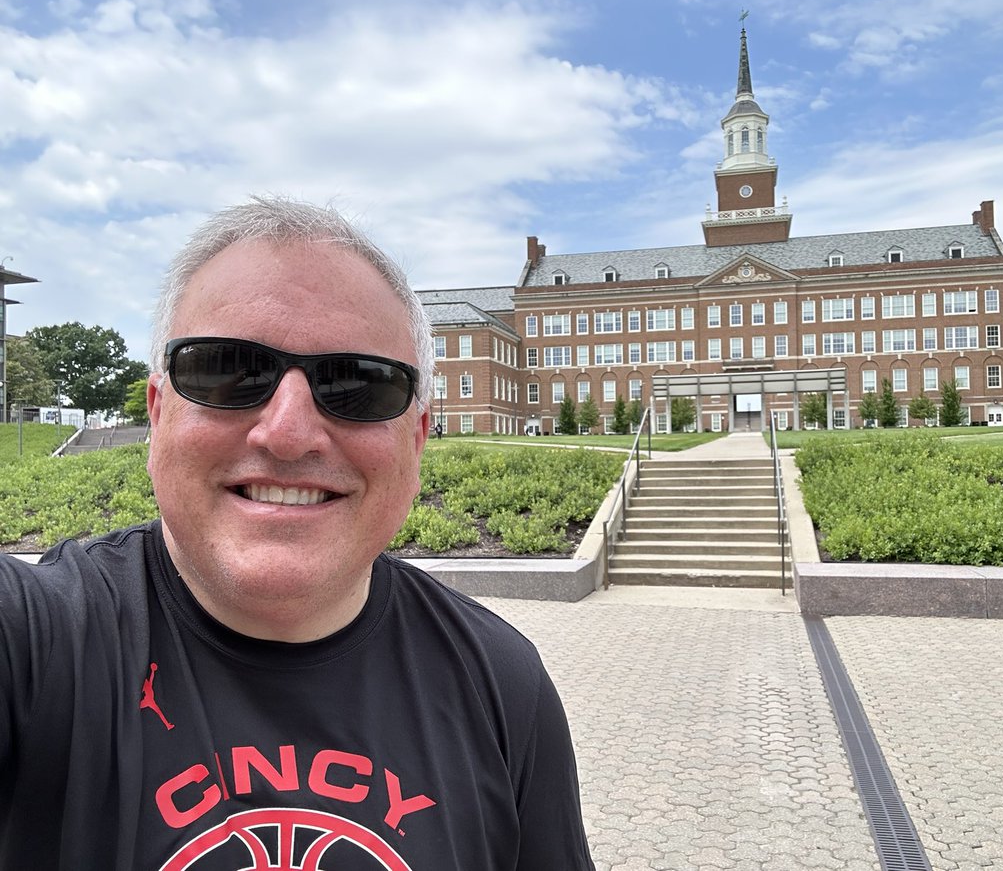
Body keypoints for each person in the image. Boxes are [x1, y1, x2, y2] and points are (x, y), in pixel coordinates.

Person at [0, 197, 595, 870]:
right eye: (227, 370)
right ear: (158, 414)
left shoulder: (500, 685)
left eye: (359, 385)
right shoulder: (41, 646)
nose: (286, 432)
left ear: (418, 439)